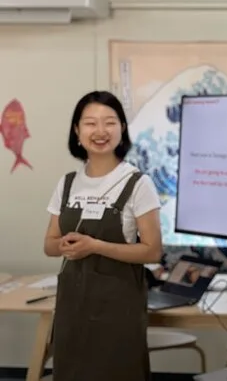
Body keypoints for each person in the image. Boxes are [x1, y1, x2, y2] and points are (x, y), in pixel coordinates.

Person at [43, 90, 163, 381]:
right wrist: (64, 246)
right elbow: (49, 244)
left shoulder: (138, 183)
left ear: (122, 128)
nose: (100, 131)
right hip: (72, 307)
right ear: (77, 131)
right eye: (90, 123)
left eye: (109, 122)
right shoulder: (67, 183)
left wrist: (95, 246)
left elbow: (152, 251)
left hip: (117, 310)